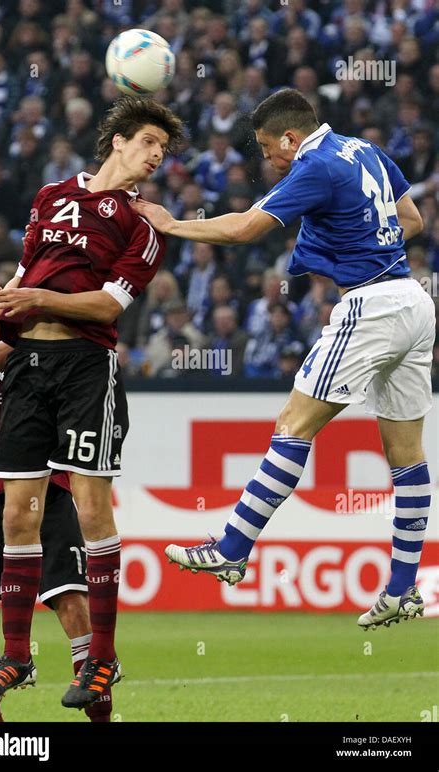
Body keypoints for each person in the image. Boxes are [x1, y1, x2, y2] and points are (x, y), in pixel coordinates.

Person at [131, 89, 434, 631]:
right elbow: (409, 218)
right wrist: (360, 238)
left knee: (293, 425)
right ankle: (402, 586)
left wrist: (170, 223)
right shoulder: (361, 148)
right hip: (414, 302)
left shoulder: (314, 164)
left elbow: (245, 229)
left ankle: (231, 545)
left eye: (270, 149)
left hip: (370, 306)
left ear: (290, 139)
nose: (269, 160)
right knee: (406, 455)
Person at [0, 96, 183, 710]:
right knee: (16, 517)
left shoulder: (144, 226)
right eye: (147, 143)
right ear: (118, 140)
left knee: (90, 510)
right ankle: (17, 656)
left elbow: (107, 307)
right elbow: (22, 280)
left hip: (87, 369)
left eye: (162, 151)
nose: (154, 156)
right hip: (29, 368)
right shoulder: (50, 195)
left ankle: (102, 663)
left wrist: (37, 297)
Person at [0, 258, 112, 722]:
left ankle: (102, 718)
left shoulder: (26, 327)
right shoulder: (8, 337)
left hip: (42, 489)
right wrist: (10, 315)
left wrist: (20, 306)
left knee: (74, 606)